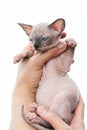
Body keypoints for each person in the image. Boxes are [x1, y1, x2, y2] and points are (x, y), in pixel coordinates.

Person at [9, 41, 85, 130]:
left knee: (61, 98)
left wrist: (22, 91)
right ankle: (42, 119)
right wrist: (25, 54)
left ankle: (42, 120)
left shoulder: (58, 54)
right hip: (49, 101)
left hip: (60, 104)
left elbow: (65, 66)